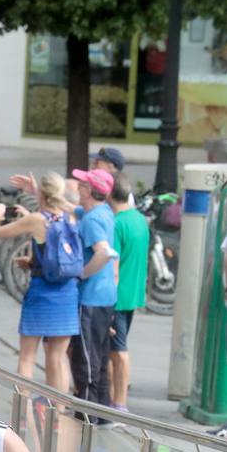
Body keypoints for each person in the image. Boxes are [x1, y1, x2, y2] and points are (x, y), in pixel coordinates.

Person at [0, 172, 78, 390]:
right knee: (58, 357)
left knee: (27, 356)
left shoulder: (37, 220)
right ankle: (58, 412)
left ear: (42, 194)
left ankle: (23, 408)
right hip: (68, 292)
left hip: (42, 293)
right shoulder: (71, 217)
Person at [69, 167, 118, 406]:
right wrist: (38, 191)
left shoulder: (91, 220)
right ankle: (102, 407)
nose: (77, 188)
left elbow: (104, 252)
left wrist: (80, 274)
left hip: (90, 297)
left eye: (81, 185)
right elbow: (69, 207)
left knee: (85, 356)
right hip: (106, 295)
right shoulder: (105, 213)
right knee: (99, 353)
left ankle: (87, 410)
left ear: (89, 190)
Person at [109, 173, 147, 411]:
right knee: (114, 350)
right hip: (133, 294)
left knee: (118, 351)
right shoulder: (139, 220)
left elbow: (113, 267)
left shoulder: (117, 223)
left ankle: (119, 403)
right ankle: (114, 399)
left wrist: (108, 303)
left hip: (118, 297)